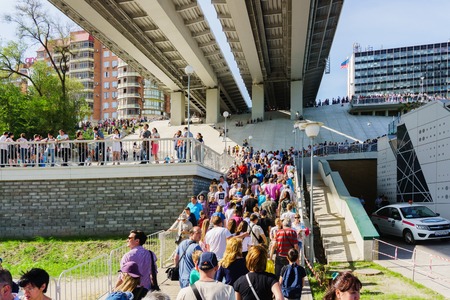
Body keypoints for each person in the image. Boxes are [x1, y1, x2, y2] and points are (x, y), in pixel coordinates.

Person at [118, 230, 154, 300]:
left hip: (130, 290)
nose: (127, 240)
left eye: (129, 238)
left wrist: (116, 289)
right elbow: (153, 273)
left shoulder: (127, 256)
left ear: (137, 241)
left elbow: (122, 276)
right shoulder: (150, 254)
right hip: (146, 290)